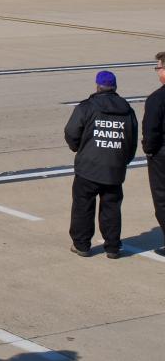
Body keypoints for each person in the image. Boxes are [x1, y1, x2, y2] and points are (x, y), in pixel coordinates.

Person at [64, 70, 138, 258]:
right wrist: (122, 161)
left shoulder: (87, 107)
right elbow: (131, 141)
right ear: (115, 87)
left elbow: (72, 132)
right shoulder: (127, 110)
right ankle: (112, 247)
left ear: (97, 86)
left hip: (88, 166)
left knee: (83, 205)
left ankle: (82, 245)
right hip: (114, 169)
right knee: (111, 207)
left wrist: (78, 149)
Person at [142, 52, 165, 255]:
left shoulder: (157, 99)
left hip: (162, 156)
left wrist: (149, 150)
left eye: (159, 67)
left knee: (162, 199)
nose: (157, 71)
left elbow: (151, 131)